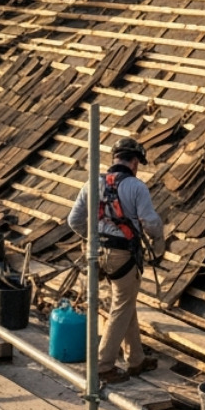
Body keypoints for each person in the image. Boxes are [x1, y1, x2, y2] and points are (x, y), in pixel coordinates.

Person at [67, 137, 162, 383]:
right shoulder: (136, 187)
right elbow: (150, 223)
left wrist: (92, 238)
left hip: (96, 253)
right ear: (133, 162)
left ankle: (136, 359)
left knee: (124, 301)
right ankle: (102, 366)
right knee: (121, 306)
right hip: (123, 255)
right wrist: (158, 242)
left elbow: (74, 220)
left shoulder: (92, 184)